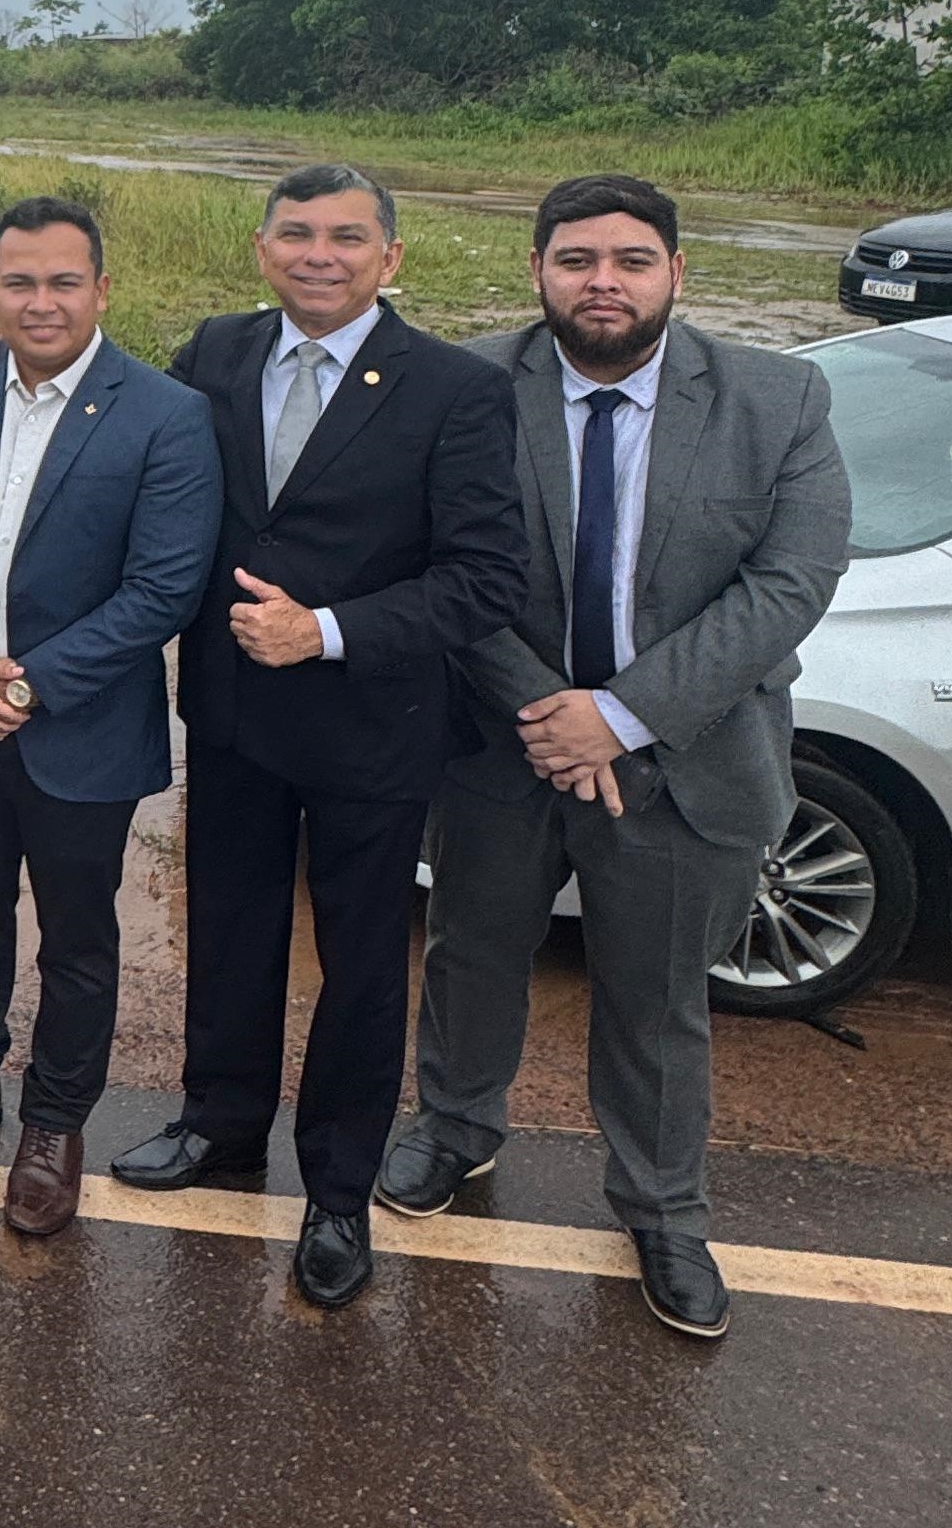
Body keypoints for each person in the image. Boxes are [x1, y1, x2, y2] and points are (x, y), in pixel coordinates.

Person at [378, 175, 847, 1339]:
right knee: (470, 954)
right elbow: (433, 560)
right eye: (575, 259)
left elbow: (787, 585)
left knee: (656, 998)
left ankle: (660, 1210)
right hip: (501, 747)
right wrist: (550, 712)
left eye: (630, 261)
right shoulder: (464, 385)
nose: (602, 282)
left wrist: (623, 716)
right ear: (535, 269)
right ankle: (453, 1128)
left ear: (674, 273)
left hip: (683, 757)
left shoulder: (776, 398)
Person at [110, 164, 525, 1309]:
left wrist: (327, 631)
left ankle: (337, 1190)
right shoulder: (215, 350)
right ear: (261, 249)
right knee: (227, 928)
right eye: (295, 234)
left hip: (371, 724)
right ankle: (219, 1123)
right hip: (233, 712)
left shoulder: (454, 390)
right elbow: (135, 437)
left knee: (358, 966)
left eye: (345, 237)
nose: (318, 255)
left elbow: (484, 578)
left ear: (389, 258)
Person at [0, 198, 219, 1237]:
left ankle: (55, 1122)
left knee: (76, 937)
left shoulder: (164, 413)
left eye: (64, 281)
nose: (41, 302)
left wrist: (19, 688)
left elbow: (162, 589)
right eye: (18, 282)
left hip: (78, 729)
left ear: (101, 290)